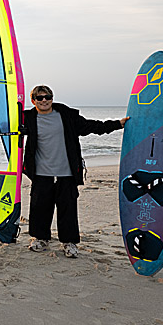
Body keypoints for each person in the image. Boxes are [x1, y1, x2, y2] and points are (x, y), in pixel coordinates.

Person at [22, 85, 128, 258]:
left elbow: (92, 126)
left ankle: (69, 243)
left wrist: (117, 124)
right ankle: (40, 239)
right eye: (39, 98)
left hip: (67, 172)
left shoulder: (66, 115)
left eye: (47, 97)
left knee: (68, 209)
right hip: (41, 173)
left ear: (52, 98)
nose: (44, 100)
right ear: (33, 100)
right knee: (39, 207)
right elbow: (6, 126)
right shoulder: (27, 118)